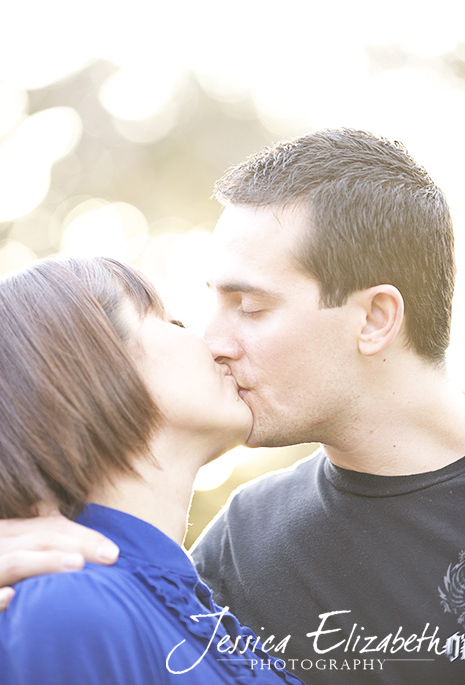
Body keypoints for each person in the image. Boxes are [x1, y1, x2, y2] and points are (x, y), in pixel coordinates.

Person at [1, 128, 465, 684]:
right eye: (193, 312)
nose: (210, 340)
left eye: (249, 306)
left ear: (373, 319)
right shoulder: (242, 550)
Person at [0, 256, 304, 685]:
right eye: (173, 322)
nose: (215, 346)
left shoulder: (199, 610)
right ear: (93, 367)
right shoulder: (66, 609)